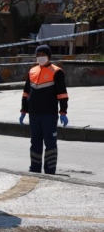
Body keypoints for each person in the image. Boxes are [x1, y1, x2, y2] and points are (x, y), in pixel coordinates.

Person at [19, 45, 69, 175]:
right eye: (38, 54)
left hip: (49, 114)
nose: (40, 57)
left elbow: (62, 94)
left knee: (50, 143)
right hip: (34, 114)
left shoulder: (57, 72)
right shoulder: (32, 71)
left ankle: (50, 170)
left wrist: (63, 111)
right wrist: (23, 110)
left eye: (43, 54)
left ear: (49, 56)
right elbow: (26, 92)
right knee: (35, 142)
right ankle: (34, 168)